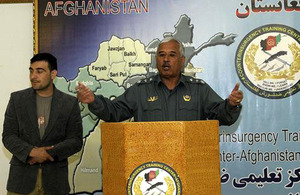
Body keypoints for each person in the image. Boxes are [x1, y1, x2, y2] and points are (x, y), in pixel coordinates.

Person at [76, 37, 243, 125]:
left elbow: (223, 117)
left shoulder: (198, 89)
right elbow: (114, 112)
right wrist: (94, 101)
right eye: (161, 55)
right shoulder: (141, 90)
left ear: (182, 60)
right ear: (156, 60)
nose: (166, 60)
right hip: (152, 166)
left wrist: (231, 105)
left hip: (188, 162)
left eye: (172, 55)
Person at [2, 53, 83, 195]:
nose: (33, 76)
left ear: (53, 74)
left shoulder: (69, 103)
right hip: (21, 182)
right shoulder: (17, 99)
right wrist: (31, 152)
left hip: (56, 183)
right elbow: (8, 136)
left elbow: (75, 140)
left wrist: (48, 153)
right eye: (31, 71)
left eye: (39, 71)